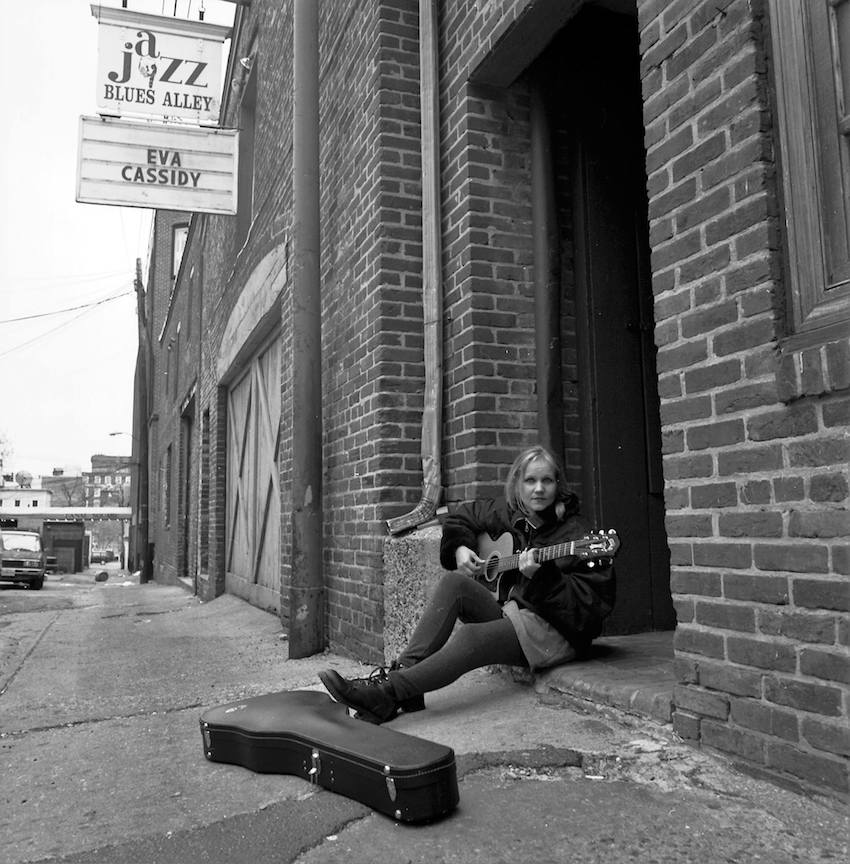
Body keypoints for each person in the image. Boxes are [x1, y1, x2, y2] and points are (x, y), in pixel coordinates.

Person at [318, 445, 616, 724]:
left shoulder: (579, 535)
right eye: (530, 480)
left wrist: (542, 577)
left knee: (471, 638)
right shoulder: (508, 514)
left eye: (547, 481)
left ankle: (387, 694)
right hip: (512, 613)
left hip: (551, 632)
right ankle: (405, 681)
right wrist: (460, 547)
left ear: (558, 485)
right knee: (454, 584)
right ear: (518, 484)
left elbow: (588, 612)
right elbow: (461, 517)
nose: (538, 489)